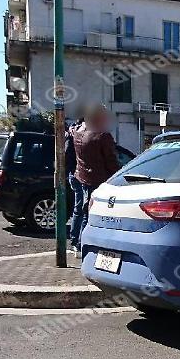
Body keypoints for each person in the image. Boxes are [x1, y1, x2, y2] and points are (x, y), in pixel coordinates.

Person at [70, 105, 120, 254]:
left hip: (81, 176)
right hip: (98, 180)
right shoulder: (102, 136)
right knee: (90, 214)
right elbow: (111, 161)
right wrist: (119, 177)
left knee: (81, 211)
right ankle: (82, 245)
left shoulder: (77, 131)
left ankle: (76, 242)